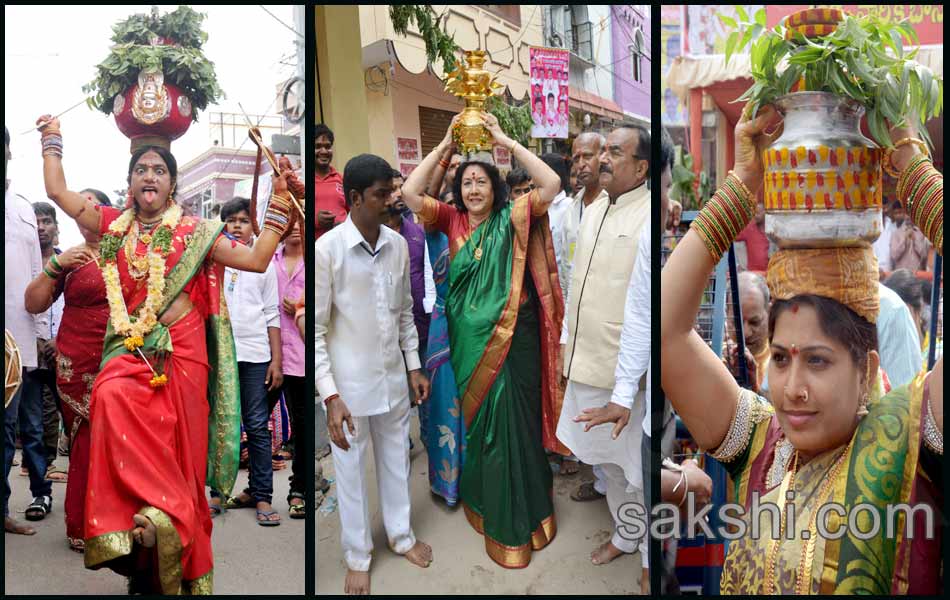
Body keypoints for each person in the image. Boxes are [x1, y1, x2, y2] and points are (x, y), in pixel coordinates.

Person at [661, 104, 943, 594]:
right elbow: (665, 331)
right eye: (782, 357)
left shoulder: (911, 441)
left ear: (867, 368)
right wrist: (742, 187)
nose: (792, 388)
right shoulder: (758, 444)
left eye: (817, 360)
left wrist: (912, 169)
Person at [35, 114, 297, 594]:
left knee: (181, 451)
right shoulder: (112, 226)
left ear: (173, 183)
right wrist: (52, 138)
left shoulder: (198, 231)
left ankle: (169, 529)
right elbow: (57, 191)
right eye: (141, 170)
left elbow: (257, 259)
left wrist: (280, 206)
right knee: (109, 397)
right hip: (130, 348)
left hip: (184, 351)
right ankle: (135, 531)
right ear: (130, 183)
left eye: (158, 169)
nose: (149, 175)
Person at [401, 111, 565, 568]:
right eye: (467, 183)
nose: (474, 190)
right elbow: (412, 193)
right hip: (471, 347)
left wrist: (504, 141)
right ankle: (495, 512)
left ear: (495, 189)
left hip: (517, 345)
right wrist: (447, 147)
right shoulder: (449, 220)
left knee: (519, 429)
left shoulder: (513, 217)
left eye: (482, 182)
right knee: (488, 435)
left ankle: (530, 516)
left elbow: (550, 184)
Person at [316, 154, 433, 595]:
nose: (392, 200)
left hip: (392, 380)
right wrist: (330, 396)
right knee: (349, 472)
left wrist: (414, 367)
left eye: (393, 191)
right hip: (348, 388)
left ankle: (401, 536)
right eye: (382, 194)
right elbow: (318, 330)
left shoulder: (398, 244)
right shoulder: (328, 251)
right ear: (354, 199)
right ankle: (358, 555)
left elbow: (404, 315)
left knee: (396, 460)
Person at [557, 125, 651, 571]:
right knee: (608, 465)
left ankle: (651, 558)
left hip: (625, 376)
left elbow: (645, 313)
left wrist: (627, 386)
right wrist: (563, 343)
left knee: (639, 472)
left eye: (616, 152)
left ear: (641, 167)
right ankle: (626, 536)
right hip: (585, 363)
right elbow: (575, 285)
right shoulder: (592, 211)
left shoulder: (650, 217)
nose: (604, 159)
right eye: (605, 151)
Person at [24, 189, 112, 552]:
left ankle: (118, 522)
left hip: (121, 356)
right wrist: (56, 267)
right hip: (75, 362)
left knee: (116, 440)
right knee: (85, 439)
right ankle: (82, 522)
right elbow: (33, 303)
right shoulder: (70, 258)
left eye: (93, 204)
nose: (85, 210)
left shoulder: (128, 253)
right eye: (80, 204)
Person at [206, 197, 283, 526]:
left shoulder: (264, 264)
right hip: (219, 354)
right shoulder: (213, 262)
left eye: (243, 220)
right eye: (231, 220)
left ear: (254, 226)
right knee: (218, 425)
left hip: (254, 355)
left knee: (256, 426)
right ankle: (215, 493)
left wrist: (276, 360)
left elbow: (272, 313)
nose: (237, 225)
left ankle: (262, 494)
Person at [4, 126, 50, 536]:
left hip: (13, 345)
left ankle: (0, 510)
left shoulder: (21, 209)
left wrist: (36, 331)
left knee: (7, 431)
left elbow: (37, 276)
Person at [272, 214, 306, 519]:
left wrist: (302, 307)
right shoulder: (269, 258)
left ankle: (299, 490)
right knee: (254, 421)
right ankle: (258, 491)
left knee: (303, 427)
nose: (295, 229)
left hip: (303, 357)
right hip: (269, 354)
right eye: (290, 223)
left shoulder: (318, 259)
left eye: (300, 223)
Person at [31, 201, 67, 481]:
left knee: (67, 406)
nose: (41, 227)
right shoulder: (22, 262)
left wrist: (60, 339)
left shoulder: (68, 262)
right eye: (36, 222)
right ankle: (43, 467)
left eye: (46, 221)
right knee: (37, 413)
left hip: (65, 346)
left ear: (56, 227)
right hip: (30, 347)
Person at [736, 271, 771, 393]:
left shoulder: (782, 356)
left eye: (754, 322)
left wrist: (754, 387)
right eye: (737, 323)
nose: (746, 333)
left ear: (770, 312)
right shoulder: (715, 354)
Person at [315, 123, 348, 240]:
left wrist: (345, 225)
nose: (324, 151)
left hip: (342, 243)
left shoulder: (342, 179)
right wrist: (316, 220)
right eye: (318, 146)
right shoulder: (301, 182)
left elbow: (353, 213)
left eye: (327, 146)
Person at [890, 206, 931, 271]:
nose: (909, 217)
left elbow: (924, 256)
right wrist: (904, 239)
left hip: (918, 275)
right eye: (907, 214)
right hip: (901, 275)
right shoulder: (896, 234)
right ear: (904, 215)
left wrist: (915, 240)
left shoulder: (921, 233)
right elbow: (894, 256)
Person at [734, 197, 769, 272]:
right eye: (754, 213)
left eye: (758, 213)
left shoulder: (771, 229)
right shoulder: (749, 228)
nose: (755, 216)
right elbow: (733, 235)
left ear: (765, 212)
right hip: (753, 274)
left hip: (769, 272)